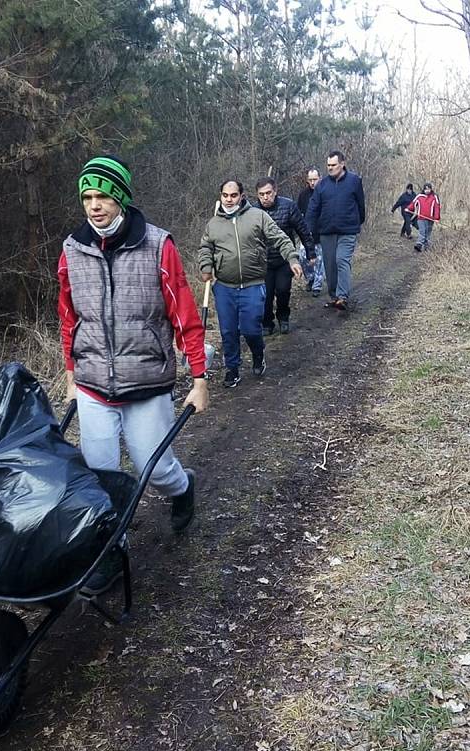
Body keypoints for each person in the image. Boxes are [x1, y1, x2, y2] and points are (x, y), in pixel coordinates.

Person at [57, 155, 209, 594]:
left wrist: (198, 379)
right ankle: (110, 550)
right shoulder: (73, 249)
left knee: (153, 469)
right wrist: (71, 373)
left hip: (145, 383)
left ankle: (182, 488)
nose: (94, 205)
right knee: (99, 475)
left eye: (102, 195)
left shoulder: (157, 246)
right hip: (92, 383)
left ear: (120, 197)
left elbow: (184, 317)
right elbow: (69, 317)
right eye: (87, 197)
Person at [198, 179, 301, 388]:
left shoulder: (257, 216)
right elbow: (205, 247)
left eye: (233, 195)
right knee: (228, 331)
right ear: (220, 196)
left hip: (253, 285)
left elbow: (279, 238)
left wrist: (292, 258)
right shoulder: (214, 223)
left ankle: (257, 355)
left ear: (241, 196)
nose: (229, 199)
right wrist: (206, 266)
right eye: (225, 195)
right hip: (225, 286)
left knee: (251, 330)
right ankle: (233, 369)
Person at [305, 150, 365, 312]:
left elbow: (361, 205)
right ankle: (335, 296)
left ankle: (343, 296)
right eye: (328, 165)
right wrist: (308, 229)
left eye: (333, 165)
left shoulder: (354, 181)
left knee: (341, 260)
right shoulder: (322, 185)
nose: (330, 168)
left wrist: (357, 222)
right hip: (326, 231)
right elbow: (313, 209)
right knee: (330, 265)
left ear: (342, 164)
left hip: (348, 230)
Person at [254, 176, 315, 334]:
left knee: (282, 290)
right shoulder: (253, 212)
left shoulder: (288, 206)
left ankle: (283, 317)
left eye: (268, 193)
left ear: (275, 192)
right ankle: (267, 322)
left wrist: (310, 252)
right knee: (265, 294)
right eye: (261, 194)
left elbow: (302, 230)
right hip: (263, 261)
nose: (265, 197)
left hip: (284, 259)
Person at [297, 167, 325, 297]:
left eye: (315, 179)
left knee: (319, 261)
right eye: (310, 180)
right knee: (303, 256)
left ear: (320, 178)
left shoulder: (325, 192)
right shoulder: (303, 195)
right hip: (306, 233)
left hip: (322, 232)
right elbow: (298, 213)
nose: (313, 182)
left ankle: (317, 286)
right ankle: (310, 278)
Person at [405, 182, 441, 252]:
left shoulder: (434, 197)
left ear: (431, 189)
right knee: (422, 231)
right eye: (426, 189)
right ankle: (419, 244)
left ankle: (426, 246)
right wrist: (408, 208)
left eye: (429, 189)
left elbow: (437, 207)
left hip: (430, 219)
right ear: (423, 189)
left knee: (428, 232)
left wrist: (437, 218)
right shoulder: (419, 196)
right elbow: (413, 203)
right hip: (421, 218)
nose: (427, 190)